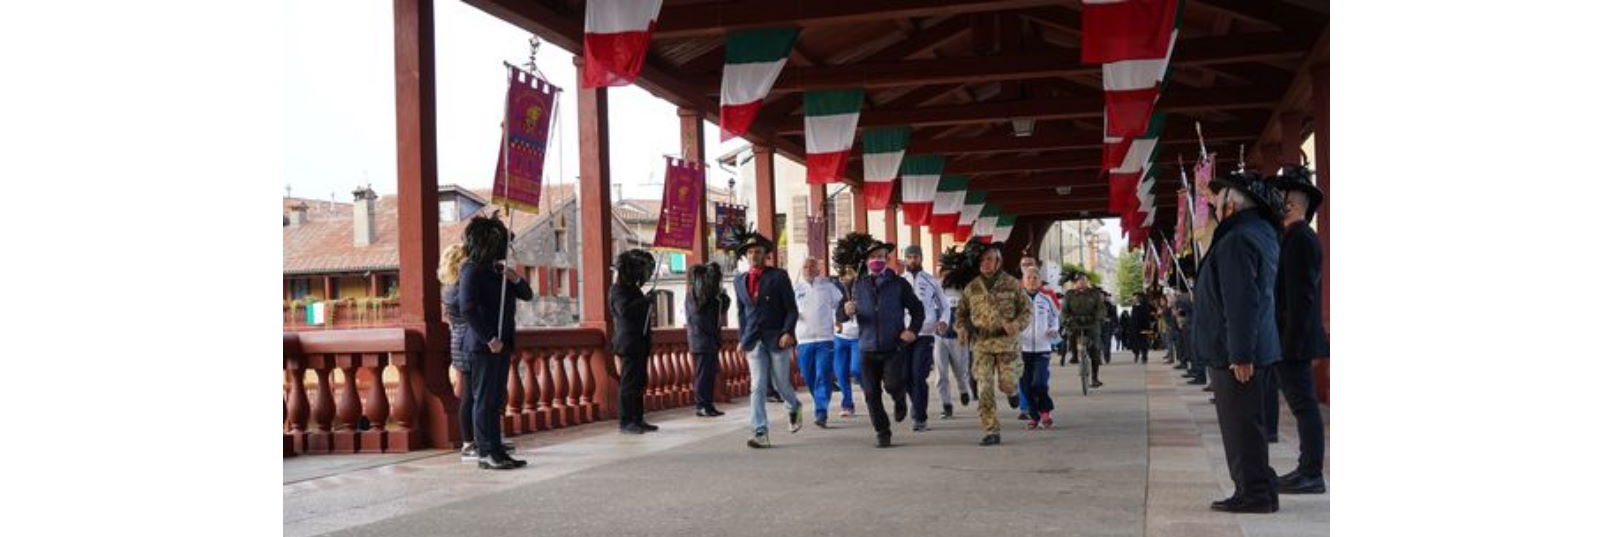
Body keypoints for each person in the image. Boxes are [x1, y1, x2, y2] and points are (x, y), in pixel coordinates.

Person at [1197, 170, 1285, 513]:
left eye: (1218, 202)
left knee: (1240, 428)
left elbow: (1241, 300)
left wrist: (1240, 354)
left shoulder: (1236, 240)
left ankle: (1254, 494)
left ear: (1231, 206)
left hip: (1237, 351)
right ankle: (1260, 486)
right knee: (1250, 424)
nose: (1215, 207)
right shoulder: (1260, 232)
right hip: (1257, 346)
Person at [1270, 165, 1330, 494]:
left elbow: (1302, 299)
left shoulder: (1301, 240)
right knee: (1302, 406)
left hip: (1296, 341)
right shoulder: (1293, 238)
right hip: (1294, 338)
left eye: (1278, 198)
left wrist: (1291, 345)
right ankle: (1306, 468)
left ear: (1292, 204)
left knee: (1304, 406)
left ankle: (1311, 473)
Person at [457, 215, 533, 470]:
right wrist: (489, 338)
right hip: (483, 346)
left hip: (503, 342)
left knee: (496, 399)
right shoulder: (471, 270)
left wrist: (514, 278)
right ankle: (485, 452)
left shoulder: (498, 271)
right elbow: (467, 308)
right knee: (484, 399)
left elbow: (527, 294)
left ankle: (498, 450)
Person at [840, 238, 924, 448]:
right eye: (872, 257)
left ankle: (899, 398)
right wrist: (845, 311)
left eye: (880, 257)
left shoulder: (898, 284)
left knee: (893, 384)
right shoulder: (856, 285)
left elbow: (917, 310)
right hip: (867, 348)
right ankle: (882, 431)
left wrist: (912, 330)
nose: (876, 260)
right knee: (870, 393)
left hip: (893, 346)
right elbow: (840, 315)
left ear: (886, 259)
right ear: (866, 261)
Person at [950, 242, 1031, 447]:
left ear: (998, 261)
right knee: (984, 387)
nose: (985, 263)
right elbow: (960, 314)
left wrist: (1017, 324)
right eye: (982, 260)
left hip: (1007, 343)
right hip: (982, 344)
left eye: (989, 259)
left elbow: (1027, 310)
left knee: (1007, 384)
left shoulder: (1011, 283)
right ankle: (991, 430)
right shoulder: (972, 287)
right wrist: (960, 329)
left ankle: (1013, 392)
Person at [733, 231, 803, 448]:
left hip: (776, 338)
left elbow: (791, 309)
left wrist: (787, 332)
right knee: (758, 385)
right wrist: (742, 339)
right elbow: (742, 312)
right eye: (750, 252)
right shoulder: (739, 280)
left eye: (758, 252)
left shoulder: (778, 276)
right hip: (753, 340)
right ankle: (760, 431)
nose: (754, 255)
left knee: (781, 383)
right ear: (745, 255)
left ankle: (794, 406)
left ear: (766, 255)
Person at [900, 245, 949, 431]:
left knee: (918, 375)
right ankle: (917, 404)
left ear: (921, 258)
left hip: (925, 333)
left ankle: (919, 417)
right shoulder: (899, 281)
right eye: (910, 257)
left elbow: (944, 306)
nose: (913, 260)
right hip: (903, 334)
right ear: (905, 259)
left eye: (916, 257)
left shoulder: (931, 281)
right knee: (905, 376)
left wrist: (943, 322)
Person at [610, 250, 658, 434]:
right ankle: (626, 420)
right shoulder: (618, 289)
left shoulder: (632, 289)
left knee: (639, 382)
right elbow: (625, 311)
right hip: (628, 341)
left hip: (639, 340)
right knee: (628, 383)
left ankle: (638, 418)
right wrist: (644, 301)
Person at [793, 257, 841, 428]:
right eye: (805, 266)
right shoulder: (796, 289)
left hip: (824, 339)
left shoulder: (828, 286)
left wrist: (840, 321)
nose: (808, 269)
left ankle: (821, 411)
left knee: (823, 374)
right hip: (803, 340)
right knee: (808, 375)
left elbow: (840, 305)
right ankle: (820, 401)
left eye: (812, 266)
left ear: (818, 269)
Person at [685, 262, 729, 418]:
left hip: (710, 341)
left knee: (709, 374)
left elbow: (719, 314)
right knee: (702, 374)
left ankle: (708, 403)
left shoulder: (710, 298)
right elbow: (700, 319)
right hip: (701, 341)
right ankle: (701, 404)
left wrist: (722, 300)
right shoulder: (694, 297)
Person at [1019, 267, 1060, 429]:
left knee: (1039, 383)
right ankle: (1034, 417)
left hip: (1043, 348)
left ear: (1040, 281)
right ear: (1023, 281)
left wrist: (1053, 329)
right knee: (1025, 385)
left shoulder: (1046, 299)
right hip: (1023, 349)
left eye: (1035, 278)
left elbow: (1055, 318)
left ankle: (1045, 412)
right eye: (1028, 278)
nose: (1031, 280)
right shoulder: (1017, 300)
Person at [934, 249, 973, 420]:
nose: (945, 276)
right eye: (943, 272)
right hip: (938, 338)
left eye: (949, 272)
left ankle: (964, 389)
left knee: (961, 371)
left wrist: (965, 328)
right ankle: (946, 404)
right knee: (941, 374)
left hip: (958, 338)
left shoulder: (962, 291)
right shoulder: (934, 290)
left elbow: (970, 313)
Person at [1062, 272, 1106, 389]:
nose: (1082, 283)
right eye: (1079, 281)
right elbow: (1064, 310)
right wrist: (1066, 320)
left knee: (1095, 350)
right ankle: (1075, 355)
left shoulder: (1094, 294)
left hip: (1091, 323)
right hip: (1075, 323)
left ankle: (1095, 378)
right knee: (1070, 335)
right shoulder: (1069, 295)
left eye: (1084, 281)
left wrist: (1097, 318)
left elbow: (1101, 309)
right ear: (1075, 283)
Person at [832, 268, 863, 417]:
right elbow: (832, 310)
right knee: (841, 372)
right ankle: (847, 404)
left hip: (858, 337)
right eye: (844, 275)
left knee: (856, 369)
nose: (847, 277)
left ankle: (869, 390)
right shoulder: (835, 290)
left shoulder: (863, 288)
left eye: (851, 273)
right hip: (840, 336)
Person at [1129, 293, 1154, 363]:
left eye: (1135, 298)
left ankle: (1144, 356)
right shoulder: (1134, 307)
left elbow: (1147, 317)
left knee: (1144, 343)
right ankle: (1136, 354)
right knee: (1135, 343)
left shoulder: (1145, 306)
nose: (1134, 299)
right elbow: (1132, 318)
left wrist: (1148, 327)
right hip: (1135, 328)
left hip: (1143, 327)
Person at [1100, 291, 1117, 362]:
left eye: (1101, 295)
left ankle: (1106, 355)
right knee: (1098, 343)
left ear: (1104, 296)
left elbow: (1114, 316)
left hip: (1107, 326)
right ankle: (1098, 358)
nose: (1100, 297)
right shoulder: (1094, 305)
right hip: (1097, 326)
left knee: (1107, 342)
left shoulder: (1109, 305)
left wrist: (1109, 319)